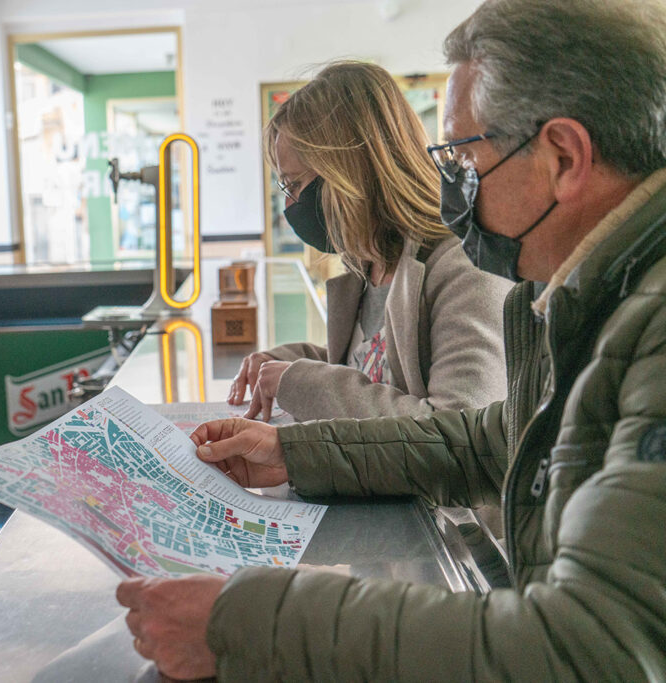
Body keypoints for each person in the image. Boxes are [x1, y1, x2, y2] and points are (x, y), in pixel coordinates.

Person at [117, 0, 666, 678]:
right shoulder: (579, 295)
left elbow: (590, 650)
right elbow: (489, 439)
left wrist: (247, 620)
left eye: (465, 158)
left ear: (563, 156)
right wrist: (292, 451)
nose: (452, 187)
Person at [229, 61, 511, 423]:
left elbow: (460, 426)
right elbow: (372, 371)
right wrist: (286, 363)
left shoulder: (464, 267)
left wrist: (301, 382)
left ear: (350, 171)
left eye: (295, 185)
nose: (289, 205)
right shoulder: (370, 265)